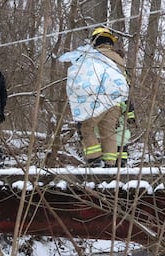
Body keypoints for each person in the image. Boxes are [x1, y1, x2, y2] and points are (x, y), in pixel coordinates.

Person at [60, 27, 130, 167]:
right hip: (116, 102)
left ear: (94, 41)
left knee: (86, 128)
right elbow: (126, 82)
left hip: (95, 101)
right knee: (108, 131)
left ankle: (94, 161)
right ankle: (110, 163)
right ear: (110, 41)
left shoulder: (90, 55)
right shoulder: (119, 59)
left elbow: (81, 78)